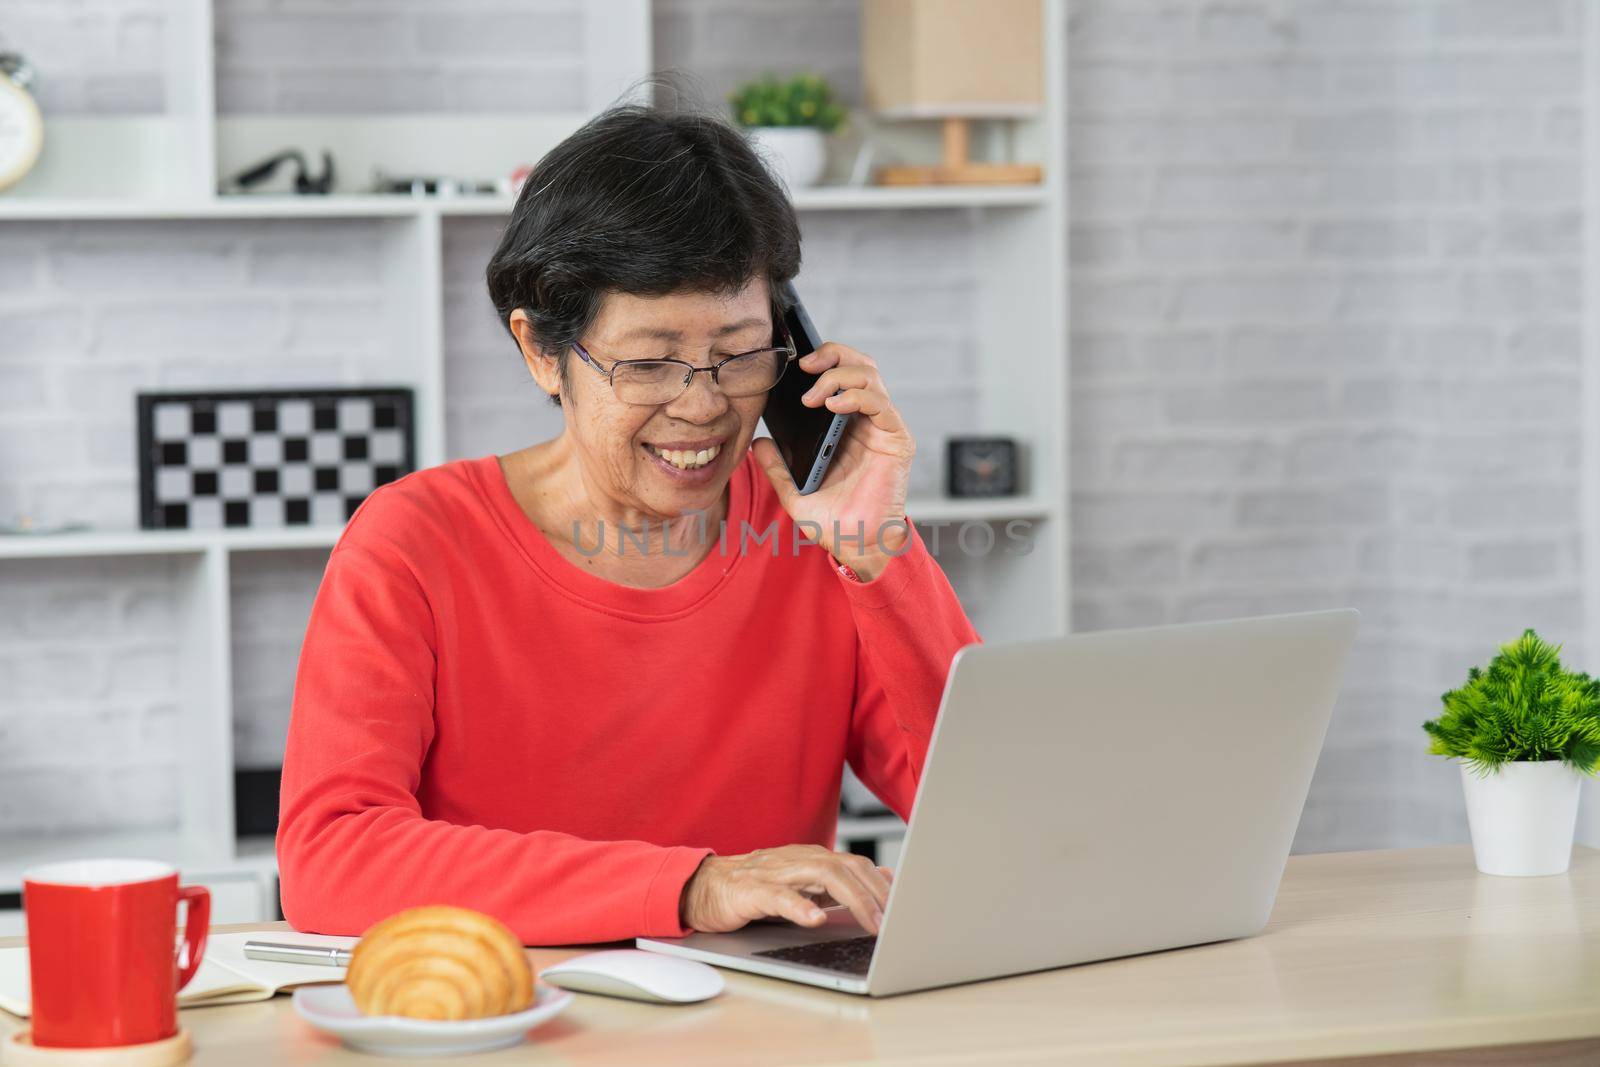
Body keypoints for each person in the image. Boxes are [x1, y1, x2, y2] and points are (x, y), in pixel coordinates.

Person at [276, 105, 981, 945]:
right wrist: (689, 886)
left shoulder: (813, 534)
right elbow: (331, 860)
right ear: (541, 350)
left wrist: (877, 556)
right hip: (513, 1026)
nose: (704, 404)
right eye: (648, 363)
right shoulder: (413, 542)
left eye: (742, 352)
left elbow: (984, 815)